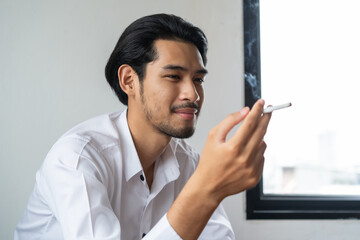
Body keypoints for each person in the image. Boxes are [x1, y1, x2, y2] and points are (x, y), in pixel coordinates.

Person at [15, 14, 271, 239]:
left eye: (198, 79)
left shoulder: (187, 161)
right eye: (173, 76)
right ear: (129, 81)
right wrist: (206, 189)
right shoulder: (77, 159)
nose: (192, 94)